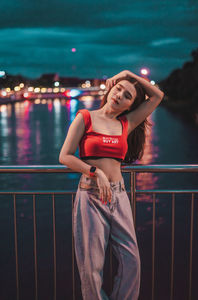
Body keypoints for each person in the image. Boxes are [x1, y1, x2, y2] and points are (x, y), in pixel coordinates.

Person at [59, 70, 164, 300]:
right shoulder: (85, 117)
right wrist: (94, 172)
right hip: (90, 194)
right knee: (91, 265)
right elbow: (65, 156)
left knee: (131, 260)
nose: (120, 95)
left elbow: (157, 96)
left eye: (127, 96)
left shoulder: (127, 122)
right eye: (119, 88)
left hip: (118, 195)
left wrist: (127, 73)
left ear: (129, 106)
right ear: (110, 89)